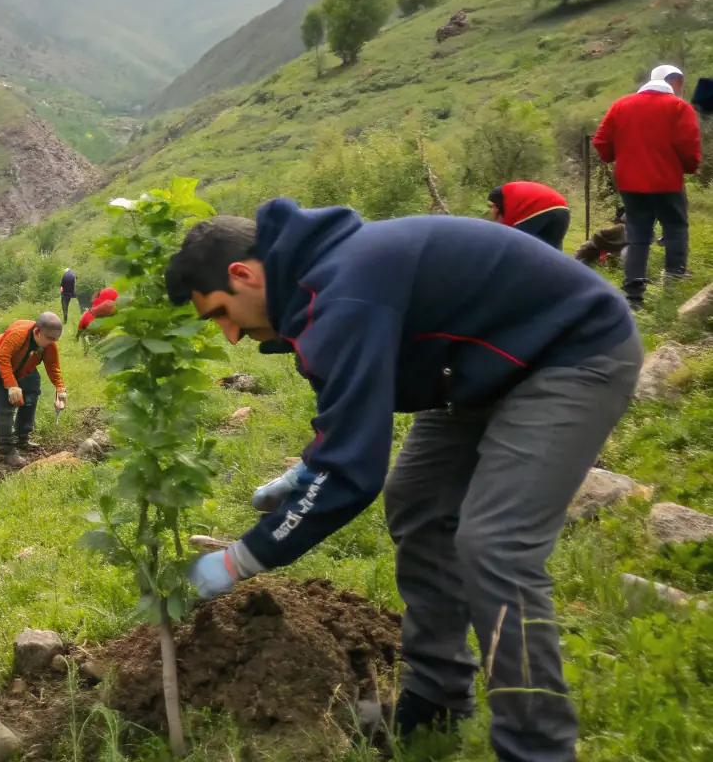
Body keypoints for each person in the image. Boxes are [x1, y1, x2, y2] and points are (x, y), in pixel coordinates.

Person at [165, 199, 639, 762]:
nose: (230, 337)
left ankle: (535, 747)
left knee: (496, 544)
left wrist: (241, 559)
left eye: (220, 313)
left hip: (570, 353)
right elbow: (346, 416)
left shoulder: (342, 290)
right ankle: (437, 698)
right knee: (416, 501)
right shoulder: (318, 286)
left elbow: (352, 470)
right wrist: (308, 467)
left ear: (242, 274)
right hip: (477, 374)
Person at [593, 64, 701, 309]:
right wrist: (687, 167)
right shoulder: (678, 107)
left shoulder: (621, 106)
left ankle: (633, 295)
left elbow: (601, 141)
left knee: (638, 235)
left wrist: (614, 156)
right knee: (675, 229)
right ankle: (673, 289)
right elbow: (689, 146)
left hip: (630, 184)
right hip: (668, 183)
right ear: (671, 82)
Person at [0, 312, 68, 467]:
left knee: (31, 392)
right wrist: (11, 386)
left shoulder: (48, 343)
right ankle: (6, 450)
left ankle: (22, 436)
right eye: (50, 339)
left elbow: (53, 366)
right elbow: (3, 357)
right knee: (7, 404)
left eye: (56, 339)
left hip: (22, 367)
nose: (53, 343)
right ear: (37, 332)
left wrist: (60, 388)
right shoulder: (18, 335)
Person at [486, 181, 569, 249]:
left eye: (492, 206)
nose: (491, 209)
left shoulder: (509, 197)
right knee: (553, 248)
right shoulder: (513, 190)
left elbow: (507, 230)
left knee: (515, 243)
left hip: (543, 207)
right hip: (564, 209)